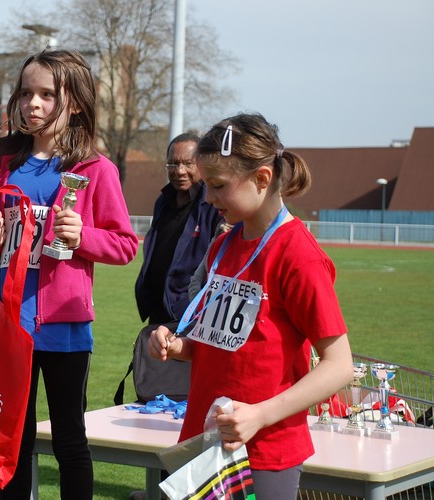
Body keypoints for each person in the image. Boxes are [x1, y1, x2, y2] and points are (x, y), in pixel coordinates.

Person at [148, 113, 353, 500]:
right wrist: (178, 346)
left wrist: (259, 415)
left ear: (262, 178)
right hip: (205, 442)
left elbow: (339, 365)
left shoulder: (299, 256)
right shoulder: (222, 246)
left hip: (264, 449)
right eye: (206, 186)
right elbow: (218, 342)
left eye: (218, 186)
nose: (208, 199)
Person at [0, 49, 139, 499]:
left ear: (76, 103)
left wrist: (83, 236)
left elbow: (125, 245)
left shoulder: (97, 170)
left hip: (65, 327)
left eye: (47, 94)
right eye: (27, 93)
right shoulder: (5, 163)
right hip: (9, 326)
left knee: (69, 442)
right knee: (8, 439)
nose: (34, 104)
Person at [134, 133, 223, 400]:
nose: (179, 170)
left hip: (190, 316)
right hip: (158, 312)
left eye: (187, 163)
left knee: (187, 396)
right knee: (157, 394)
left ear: (201, 164)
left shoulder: (212, 204)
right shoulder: (163, 201)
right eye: (173, 164)